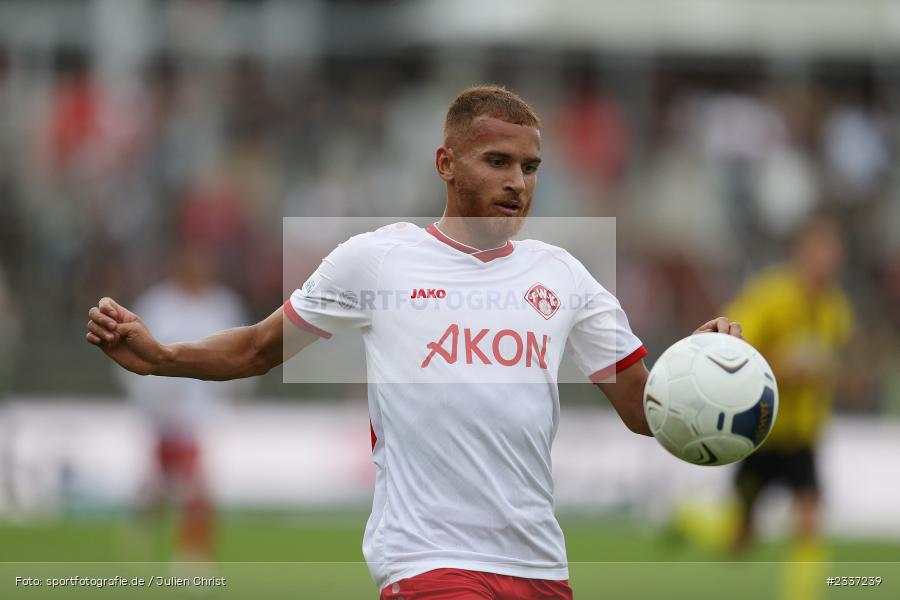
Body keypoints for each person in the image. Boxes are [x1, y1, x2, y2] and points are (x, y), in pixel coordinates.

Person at [87, 85, 742, 599]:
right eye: (499, 161)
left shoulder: (564, 276)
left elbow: (641, 407)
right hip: (428, 562)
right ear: (446, 164)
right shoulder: (377, 261)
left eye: (531, 166)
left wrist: (702, 370)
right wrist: (163, 358)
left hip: (539, 563)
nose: (519, 181)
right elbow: (260, 348)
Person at [725, 214, 852, 599]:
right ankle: (686, 521)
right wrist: (783, 367)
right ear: (800, 252)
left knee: (810, 518)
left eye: (833, 251)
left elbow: (833, 366)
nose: (828, 259)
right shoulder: (770, 295)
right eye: (820, 249)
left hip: (802, 435)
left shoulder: (837, 310)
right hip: (761, 431)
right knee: (739, 540)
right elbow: (733, 346)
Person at [119, 241, 248, 562]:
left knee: (196, 484)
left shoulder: (222, 305)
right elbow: (131, 352)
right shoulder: (157, 304)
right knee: (160, 484)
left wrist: (234, 393)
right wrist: (148, 394)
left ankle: (191, 551)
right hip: (161, 414)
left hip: (200, 415)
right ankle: (142, 535)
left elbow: (244, 348)